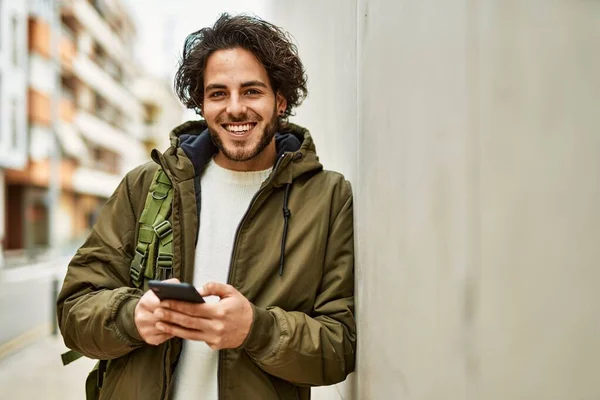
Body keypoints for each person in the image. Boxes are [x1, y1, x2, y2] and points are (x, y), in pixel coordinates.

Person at [57, 13, 356, 400]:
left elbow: (339, 346)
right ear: (201, 104)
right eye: (218, 93)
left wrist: (256, 330)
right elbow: (75, 309)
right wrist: (131, 317)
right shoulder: (146, 185)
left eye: (251, 91)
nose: (234, 108)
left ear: (280, 100)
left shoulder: (328, 198)